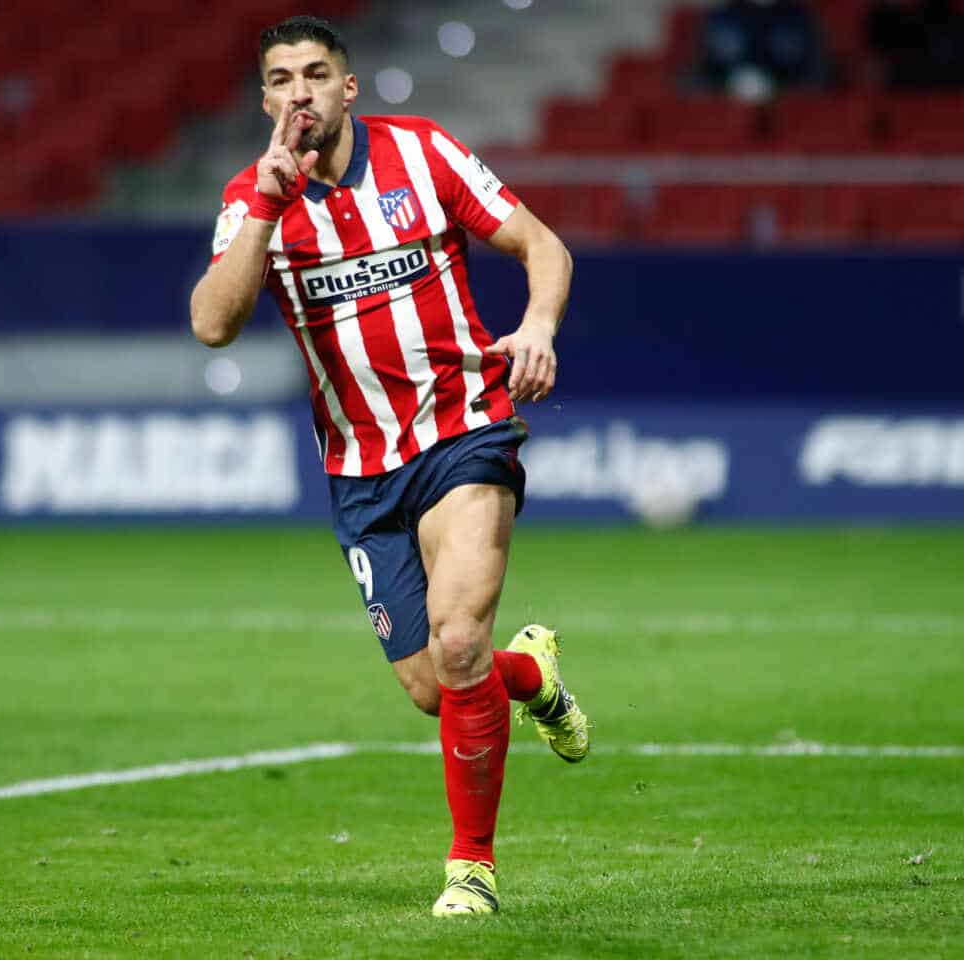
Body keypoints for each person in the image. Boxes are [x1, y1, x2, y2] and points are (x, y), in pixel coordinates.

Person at [190, 15, 588, 916]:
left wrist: (536, 327)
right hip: (361, 471)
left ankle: (471, 871)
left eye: (317, 74)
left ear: (347, 88)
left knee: (456, 644)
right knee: (433, 688)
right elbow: (213, 323)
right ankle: (531, 677)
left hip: (463, 430)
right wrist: (263, 201)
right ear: (265, 101)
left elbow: (543, 246)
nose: (301, 93)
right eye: (283, 80)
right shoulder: (252, 200)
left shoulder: (423, 155)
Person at [693, 0, 831, 99]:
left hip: (793, 112)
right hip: (726, 109)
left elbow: (815, 73)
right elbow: (703, 73)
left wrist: (780, 89)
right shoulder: (721, 17)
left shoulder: (800, 16)